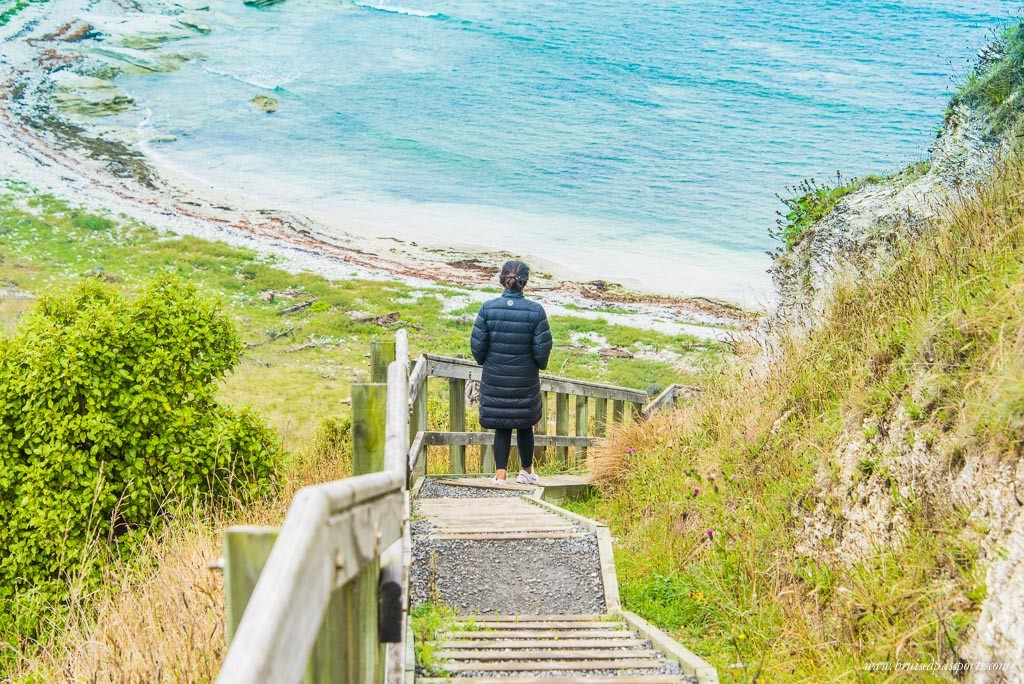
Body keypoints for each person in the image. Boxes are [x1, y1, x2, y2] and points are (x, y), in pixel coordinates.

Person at [470, 260, 552, 484]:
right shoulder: (535, 311)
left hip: (495, 378)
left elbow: (478, 348)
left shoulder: (488, 308)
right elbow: (542, 351)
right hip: (525, 379)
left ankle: (500, 475)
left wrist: (489, 360)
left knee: (501, 425)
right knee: (525, 424)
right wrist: (536, 364)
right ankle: (526, 472)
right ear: (525, 282)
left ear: (502, 280)